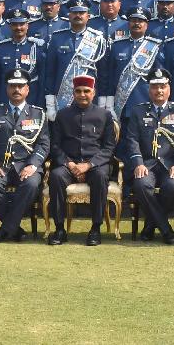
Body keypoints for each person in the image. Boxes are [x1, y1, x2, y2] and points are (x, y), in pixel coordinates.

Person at [47, 72, 118, 246]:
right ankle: (59, 229)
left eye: (86, 91)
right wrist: (70, 164)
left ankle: (95, 229)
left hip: (95, 165)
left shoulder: (104, 115)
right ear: (73, 93)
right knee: (55, 176)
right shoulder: (62, 115)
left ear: (93, 93)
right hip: (68, 164)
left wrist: (89, 165)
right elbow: (55, 146)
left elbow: (109, 147)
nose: (82, 94)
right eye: (78, 91)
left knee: (100, 176)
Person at [0, 68, 50, 243]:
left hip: (26, 165)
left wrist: (33, 165)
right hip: (1, 165)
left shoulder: (38, 114)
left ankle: (4, 230)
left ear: (27, 89)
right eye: (12, 86)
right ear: (7, 88)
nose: (16, 89)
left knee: (31, 184)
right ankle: (14, 229)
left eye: (20, 86)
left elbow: (44, 144)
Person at [123, 67, 174, 245]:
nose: (159, 90)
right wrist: (138, 163)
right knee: (141, 184)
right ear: (149, 90)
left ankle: (150, 226)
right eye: (155, 87)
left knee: (173, 186)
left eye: (163, 86)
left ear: (169, 89)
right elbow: (132, 140)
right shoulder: (138, 111)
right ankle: (166, 230)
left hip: (170, 165)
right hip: (147, 164)